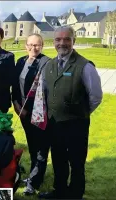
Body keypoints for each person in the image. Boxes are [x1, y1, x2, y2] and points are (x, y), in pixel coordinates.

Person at [39, 26, 103, 199]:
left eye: (67, 39)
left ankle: (75, 194)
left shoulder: (85, 66)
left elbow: (96, 97)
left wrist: (80, 112)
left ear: (73, 41)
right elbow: (44, 92)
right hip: (55, 124)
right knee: (58, 160)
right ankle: (59, 191)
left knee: (76, 162)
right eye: (58, 40)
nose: (62, 43)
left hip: (77, 125)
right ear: (54, 43)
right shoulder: (49, 65)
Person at [12, 33, 51, 195]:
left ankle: (34, 182)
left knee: (41, 147)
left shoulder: (47, 63)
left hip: (39, 113)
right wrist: (16, 105)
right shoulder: (20, 61)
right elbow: (15, 86)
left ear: (41, 46)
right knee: (32, 145)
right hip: (23, 112)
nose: (33, 48)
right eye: (30, 44)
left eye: (37, 45)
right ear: (25, 45)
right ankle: (34, 174)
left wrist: (31, 109)